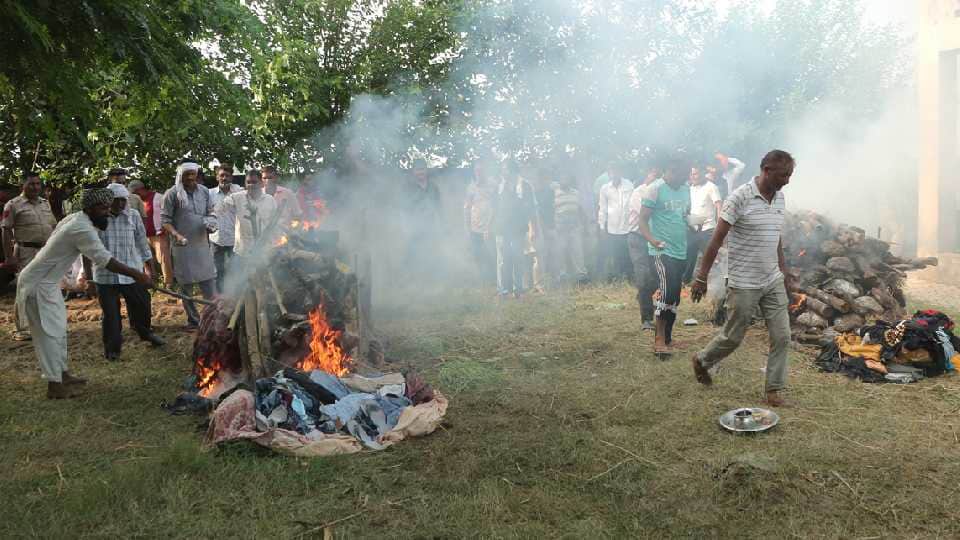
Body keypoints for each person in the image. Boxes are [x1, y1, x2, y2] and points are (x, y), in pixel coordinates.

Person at [16, 188, 152, 399]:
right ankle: (54, 386)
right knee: (48, 335)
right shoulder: (81, 228)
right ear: (89, 208)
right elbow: (104, 260)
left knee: (59, 330)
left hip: (48, 284)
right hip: (37, 284)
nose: (108, 212)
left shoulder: (78, 219)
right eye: (103, 207)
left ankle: (63, 374)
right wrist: (137, 274)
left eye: (108, 207)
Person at [690, 150, 796, 407]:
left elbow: (775, 236)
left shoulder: (780, 198)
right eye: (784, 175)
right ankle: (702, 360)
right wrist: (701, 277)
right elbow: (715, 241)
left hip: (771, 279)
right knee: (733, 337)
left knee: (782, 336)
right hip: (744, 281)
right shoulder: (738, 198)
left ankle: (773, 389)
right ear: (766, 170)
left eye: (790, 175)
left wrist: (782, 271)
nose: (787, 181)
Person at [93, 184, 165, 361]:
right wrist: (86, 276)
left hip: (132, 271)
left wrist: (151, 269)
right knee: (111, 315)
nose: (119, 204)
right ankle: (112, 351)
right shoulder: (98, 219)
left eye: (122, 200)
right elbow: (88, 248)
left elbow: (142, 243)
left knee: (142, 304)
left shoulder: (133, 216)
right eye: (115, 201)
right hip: (105, 274)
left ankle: (145, 333)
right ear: (108, 201)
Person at [636, 162, 690, 356]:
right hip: (660, 251)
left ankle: (667, 338)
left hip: (680, 251)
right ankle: (658, 341)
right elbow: (642, 220)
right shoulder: (654, 189)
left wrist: (690, 223)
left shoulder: (685, 189)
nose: (685, 179)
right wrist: (653, 240)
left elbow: (683, 215)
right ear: (671, 170)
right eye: (683, 175)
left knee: (674, 297)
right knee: (666, 293)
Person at [161, 162, 218, 330]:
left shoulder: (204, 191)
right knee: (186, 287)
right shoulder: (172, 194)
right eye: (187, 175)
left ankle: (212, 319)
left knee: (209, 283)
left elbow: (211, 212)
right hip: (182, 247)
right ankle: (193, 321)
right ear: (180, 177)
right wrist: (177, 235)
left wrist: (211, 222)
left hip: (201, 244)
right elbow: (165, 221)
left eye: (193, 175)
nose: (191, 178)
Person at [3, 171, 58, 341]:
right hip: (26, 251)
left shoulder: (45, 204)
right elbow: (5, 231)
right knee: (26, 289)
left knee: (46, 288)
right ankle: (23, 329)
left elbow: (54, 227)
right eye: (31, 184)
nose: (35, 187)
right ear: (23, 185)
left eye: (37, 184)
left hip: (46, 252)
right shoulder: (13, 205)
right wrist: (9, 257)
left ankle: (46, 325)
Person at [493, 162, 537, 298]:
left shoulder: (525, 186)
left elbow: (532, 209)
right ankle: (504, 289)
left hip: (518, 229)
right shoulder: (500, 186)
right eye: (502, 170)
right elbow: (494, 208)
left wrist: (534, 228)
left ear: (513, 172)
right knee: (503, 260)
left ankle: (519, 289)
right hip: (501, 228)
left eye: (505, 170)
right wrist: (491, 226)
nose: (502, 172)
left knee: (518, 258)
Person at [217, 170, 278, 257]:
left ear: (261, 183)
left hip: (264, 252)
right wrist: (213, 216)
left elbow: (275, 222)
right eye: (248, 182)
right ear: (245, 184)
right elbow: (221, 207)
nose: (251, 185)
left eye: (254, 182)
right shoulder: (237, 197)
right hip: (243, 252)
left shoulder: (270, 200)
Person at [402, 159, 442, 282]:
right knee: (412, 252)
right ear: (413, 172)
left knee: (429, 251)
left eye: (422, 169)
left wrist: (442, 223)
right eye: (418, 170)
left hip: (430, 225)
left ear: (426, 170)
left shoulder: (433, 187)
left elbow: (439, 207)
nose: (420, 172)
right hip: (414, 226)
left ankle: (429, 277)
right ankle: (409, 278)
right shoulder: (408, 187)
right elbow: (403, 207)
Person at [683, 166, 722, 285]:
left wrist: (720, 228)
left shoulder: (711, 187)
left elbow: (719, 206)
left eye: (695, 174)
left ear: (702, 174)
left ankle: (716, 284)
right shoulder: (690, 188)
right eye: (691, 174)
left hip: (708, 228)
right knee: (689, 256)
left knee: (711, 257)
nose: (693, 176)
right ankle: (685, 282)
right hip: (692, 228)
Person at [129, 179, 172, 286]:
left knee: (163, 259)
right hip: (144, 236)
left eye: (135, 193)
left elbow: (169, 212)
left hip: (159, 235)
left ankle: (168, 283)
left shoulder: (159, 197)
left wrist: (166, 227)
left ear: (141, 189)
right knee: (146, 261)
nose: (134, 195)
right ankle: (151, 283)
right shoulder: (136, 202)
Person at [596, 163, 634, 281]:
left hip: (627, 227)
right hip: (612, 228)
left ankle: (629, 277)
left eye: (616, 170)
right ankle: (617, 277)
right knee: (615, 254)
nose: (614, 173)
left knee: (627, 254)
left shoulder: (629, 185)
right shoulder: (605, 188)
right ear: (608, 173)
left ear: (620, 171)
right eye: (611, 171)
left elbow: (632, 205)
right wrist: (602, 226)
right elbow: (602, 208)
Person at [627, 181, 657, 331]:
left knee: (658, 274)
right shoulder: (638, 193)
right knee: (644, 276)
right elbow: (646, 215)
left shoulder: (661, 191)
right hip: (638, 238)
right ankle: (646, 319)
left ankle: (643, 296)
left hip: (654, 238)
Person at [209, 163, 242, 293]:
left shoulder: (240, 192)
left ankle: (235, 296)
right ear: (217, 177)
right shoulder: (210, 194)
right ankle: (220, 298)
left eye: (227, 175)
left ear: (232, 178)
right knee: (218, 271)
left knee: (236, 270)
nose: (224, 178)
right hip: (216, 239)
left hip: (236, 239)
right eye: (221, 175)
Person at [464, 160, 496, 286]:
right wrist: (467, 227)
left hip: (490, 226)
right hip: (475, 226)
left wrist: (493, 224)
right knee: (478, 254)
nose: (479, 173)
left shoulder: (493, 185)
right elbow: (467, 207)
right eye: (477, 170)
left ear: (486, 171)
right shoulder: (471, 187)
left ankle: (495, 279)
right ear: (474, 172)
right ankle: (484, 280)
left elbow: (497, 205)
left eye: (481, 170)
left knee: (492, 253)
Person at [552, 173, 588, 284]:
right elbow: (551, 210)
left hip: (574, 226)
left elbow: (581, 209)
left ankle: (581, 275)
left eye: (567, 178)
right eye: (563, 178)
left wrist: (583, 225)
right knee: (560, 252)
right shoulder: (554, 193)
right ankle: (561, 275)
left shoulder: (576, 193)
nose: (565, 181)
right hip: (560, 227)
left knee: (577, 251)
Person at [530, 167, 556, 293]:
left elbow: (552, 210)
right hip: (538, 228)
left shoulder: (550, 192)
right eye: (545, 177)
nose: (547, 180)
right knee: (538, 257)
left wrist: (553, 227)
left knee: (551, 255)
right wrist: (538, 229)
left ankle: (548, 281)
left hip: (551, 228)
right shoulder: (533, 194)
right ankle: (537, 284)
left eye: (548, 177)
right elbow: (534, 214)